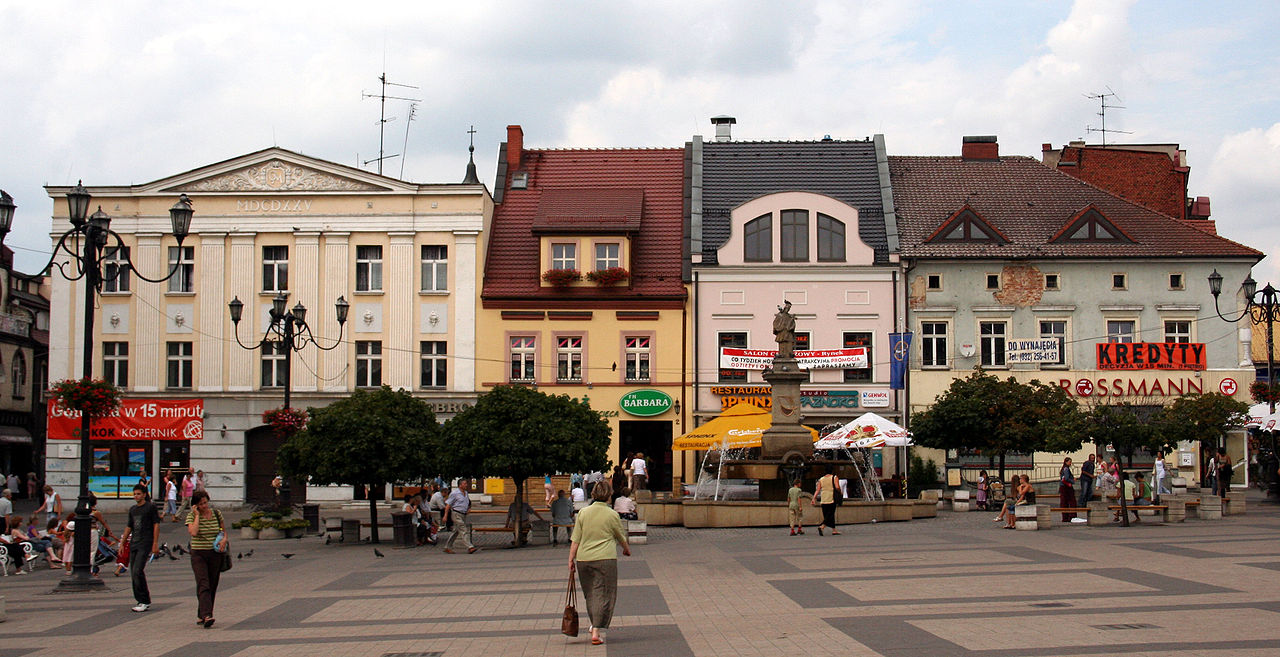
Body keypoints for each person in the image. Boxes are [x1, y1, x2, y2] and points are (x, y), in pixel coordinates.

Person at [569, 480, 631, 646]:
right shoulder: (611, 515)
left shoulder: (583, 513)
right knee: (605, 594)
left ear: (594, 494)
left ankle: (593, 625)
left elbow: (576, 539)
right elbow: (620, 536)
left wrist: (571, 559)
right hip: (605, 559)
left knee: (591, 594)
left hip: (584, 559)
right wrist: (626, 549)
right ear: (609, 495)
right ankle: (596, 630)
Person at [187, 490, 228, 628]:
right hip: (198, 554)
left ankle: (201, 613)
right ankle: (207, 615)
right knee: (203, 583)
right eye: (201, 504)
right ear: (196, 505)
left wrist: (224, 540)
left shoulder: (216, 514)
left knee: (212, 583)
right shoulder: (192, 515)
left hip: (215, 553)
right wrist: (197, 515)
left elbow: (223, 531)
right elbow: (193, 532)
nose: (204, 506)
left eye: (205, 502)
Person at [120, 483, 161, 611]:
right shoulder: (133, 510)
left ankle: (144, 600)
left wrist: (155, 543)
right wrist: (122, 543)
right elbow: (129, 527)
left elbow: (156, 525)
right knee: (134, 572)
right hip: (134, 542)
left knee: (138, 570)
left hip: (145, 542)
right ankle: (140, 600)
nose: (136, 496)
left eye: (138, 494)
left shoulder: (150, 507)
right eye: (134, 494)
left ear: (144, 494)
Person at [442, 479, 478, 554]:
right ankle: (470, 547)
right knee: (463, 529)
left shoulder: (466, 493)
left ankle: (447, 547)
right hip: (456, 514)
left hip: (463, 514)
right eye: (465, 484)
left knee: (456, 531)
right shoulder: (454, 493)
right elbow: (448, 505)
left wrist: (468, 508)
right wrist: (445, 515)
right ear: (460, 485)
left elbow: (468, 502)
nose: (466, 485)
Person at [812, 466, 841, 536]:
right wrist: (840, 492)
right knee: (830, 514)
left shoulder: (821, 479)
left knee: (828, 514)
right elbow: (837, 487)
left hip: (824, 498)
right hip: (831, 498)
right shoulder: (834, 477)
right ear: (832, 471)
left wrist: (813, 498)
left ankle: (834, 530)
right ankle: (822, 526)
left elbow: (818, 490)